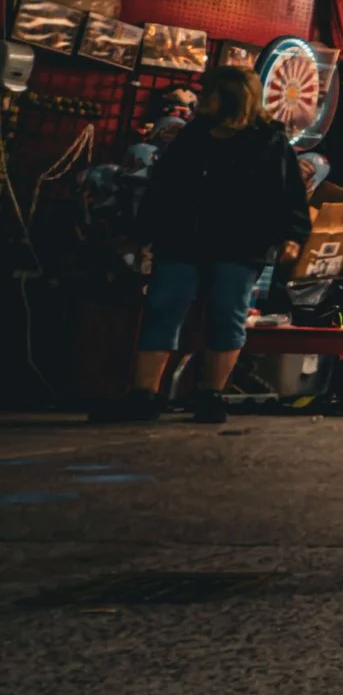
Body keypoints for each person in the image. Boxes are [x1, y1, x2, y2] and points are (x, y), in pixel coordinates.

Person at [100, 64, 311, 426]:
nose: (201, 99)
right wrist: (142, 232)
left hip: (238, 246)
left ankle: (211, 396)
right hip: (182, 241)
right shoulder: (193, 136)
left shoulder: (269, 142)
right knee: (163, 312)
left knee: (225, 316)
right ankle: (144, 395)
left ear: (230, 99)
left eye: (209, 92)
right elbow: (162, 187)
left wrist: (292, 237)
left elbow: (288, 195)